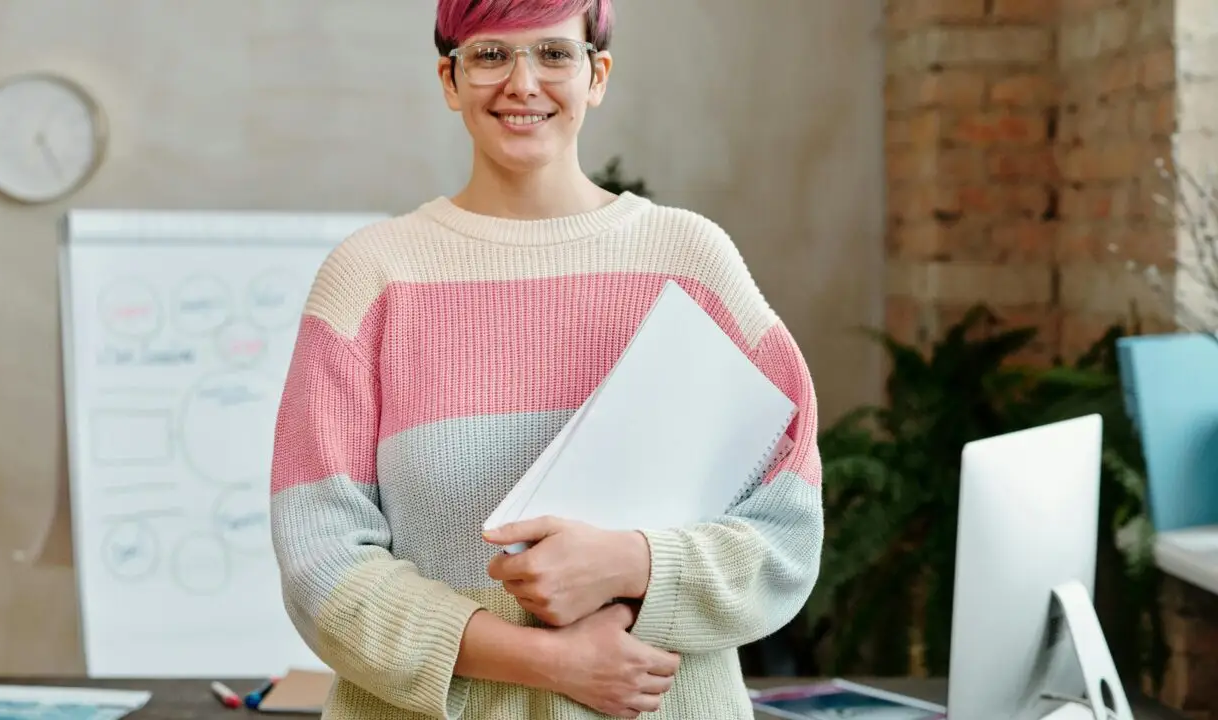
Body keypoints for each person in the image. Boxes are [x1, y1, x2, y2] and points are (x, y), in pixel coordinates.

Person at [268, 0, 824, 717]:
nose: (523, 83)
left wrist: (632, 563)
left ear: (597, 76)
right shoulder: (370, 277)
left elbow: (786, 532)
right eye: (491, 55)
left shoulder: (691, 262)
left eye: (554, 54)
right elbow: (321, 561)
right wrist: (550, 662)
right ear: (449, 79)